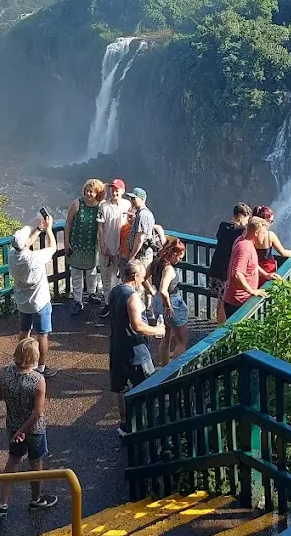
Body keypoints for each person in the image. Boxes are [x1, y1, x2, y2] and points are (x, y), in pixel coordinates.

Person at [0, 337, 59, 519]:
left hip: (13, 425)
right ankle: (36, 499)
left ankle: (3, 503)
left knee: (13, 460)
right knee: (35, 462)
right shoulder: (38, 380)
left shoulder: (5, 372)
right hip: (34, 429)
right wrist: (23, 430)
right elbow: (37, 413)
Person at [108, 260, 165, 436]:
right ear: (134, 276)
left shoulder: (114, 291)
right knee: (147, 385)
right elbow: (137, 326)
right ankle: (143, 424)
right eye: (141, 276)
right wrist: (157, 330)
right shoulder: (131, 296)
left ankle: (125, 423)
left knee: (121, 388)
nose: (143, 280)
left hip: (116, 346)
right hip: (134, 349)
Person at [8, 213, 61, 377]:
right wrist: (49, 230)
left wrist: (39, 229)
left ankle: (21, 360)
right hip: (40, 302)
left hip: (23, 302)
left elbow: (24, 244)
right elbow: (53, 248)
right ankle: (41, 367)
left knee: (24, 331)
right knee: (42, 334)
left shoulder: (12, 255)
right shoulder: (34, 258)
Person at [222, 217, 276, 321]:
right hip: (238, 302)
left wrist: (265, 274)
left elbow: (252, 264)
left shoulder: (241, 240)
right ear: (256, 233)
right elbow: (237, 274)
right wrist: (252, 291)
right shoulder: (245, 248)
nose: (265, 237)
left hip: (238, 300)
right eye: (263, 233)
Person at [64, 179, 105, 316]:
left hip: (90, 246)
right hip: (76, 244)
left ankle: (92, 294)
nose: (88, 194)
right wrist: (66, 241)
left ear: (97, 193)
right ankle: (77, 301)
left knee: (91, 272)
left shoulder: (100, 206)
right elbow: (68, 223)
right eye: (87, 191)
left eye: (92, 192)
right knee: (76, 273)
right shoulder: (77, 204)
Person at [149, 237, 189, 366]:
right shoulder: (169, 269)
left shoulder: (155, 262)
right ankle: (174, 370)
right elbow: (163, 290)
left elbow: (143, 278)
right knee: (181, 340)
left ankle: (164, 367)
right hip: (171, 302)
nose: (180, 260)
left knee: (166, 337)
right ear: (173, 254)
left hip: (157, 302)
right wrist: (168, 306)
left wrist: (152, 292)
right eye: (180, 257)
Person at [208, 203, 252, 323]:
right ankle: (220, 331)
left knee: (220, 300)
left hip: (215, 268)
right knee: (223, 302)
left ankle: (218, 325)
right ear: (243, 215)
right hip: (225, 270)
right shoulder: (241, 231)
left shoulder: (223, 226)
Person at [95, 179, 131, 319]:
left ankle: (118, 303)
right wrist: (102, 245)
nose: (114, 191)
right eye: (112, 189)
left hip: (122, 247)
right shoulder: (104, 206)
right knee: (105, 276)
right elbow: (100, 227)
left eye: (117, 189)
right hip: (106, 246)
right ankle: (107, 303)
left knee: (120, 276)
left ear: (122, 190)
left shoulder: (127, 205)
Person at [251, 206, 291, 276]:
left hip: (254, 268)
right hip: (267, 269)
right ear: (265, 220)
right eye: (271, 221)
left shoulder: (250, 234)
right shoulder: (269, 235)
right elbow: (283, 253)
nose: (272, 224)